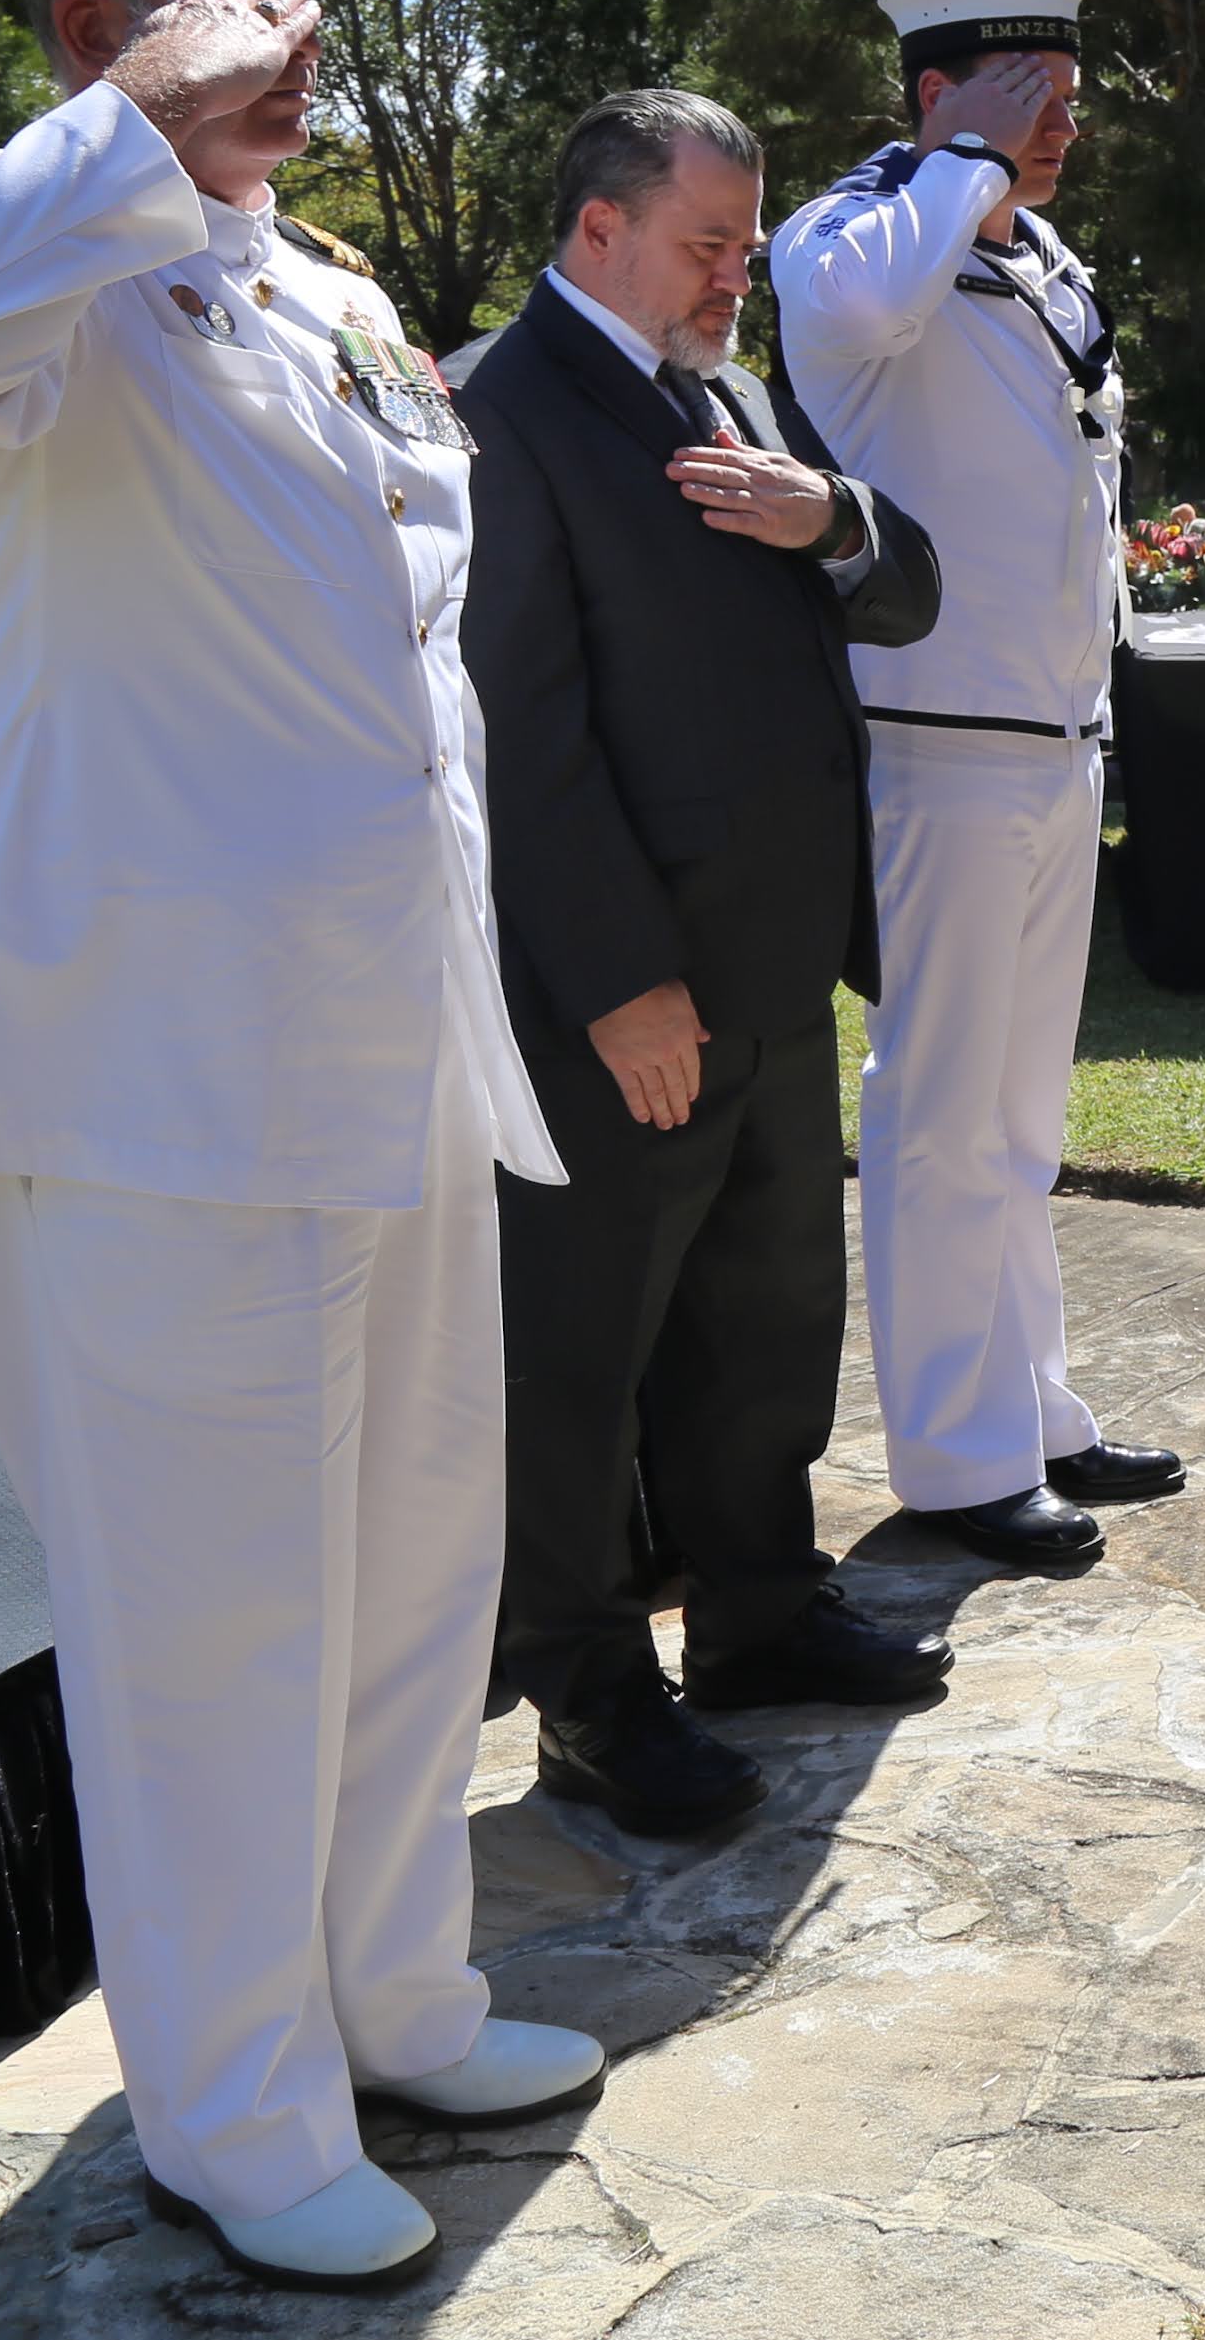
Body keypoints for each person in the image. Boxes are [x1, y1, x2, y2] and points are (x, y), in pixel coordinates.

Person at [0, 0, 600, 2296]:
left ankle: (390, 1991)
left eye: (298, 8)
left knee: (394, 1581)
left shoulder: (321, 298)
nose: (293, 52)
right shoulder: (21, 301)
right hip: (154, 1078)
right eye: (236, 12)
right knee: (208, 1624)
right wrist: (135, 127)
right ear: (90, 31)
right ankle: (229, 2110)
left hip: (385, 1037)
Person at [459, 90, 956, 1840]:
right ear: (599, 227)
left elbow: (904, 595)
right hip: (625, 1002)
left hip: (768, 965)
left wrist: (823, 514)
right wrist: (614, 981)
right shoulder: (500, 413)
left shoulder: (724, 396)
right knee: (581, 1358)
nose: (736, 276)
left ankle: (756, 1614)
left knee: (761, 1318)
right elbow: (520, 732)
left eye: (743, 245)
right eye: (708, 244)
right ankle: (590, 1697)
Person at [767, 0, 1185, 1573]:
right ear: (939, 96)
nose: (1060, 131)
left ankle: (1032, 1411)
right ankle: (952, 1458)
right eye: (1030, 99)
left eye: (1068, 104)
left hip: (1051, 736)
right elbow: (850, 320)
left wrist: (998, 182)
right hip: (932, 742)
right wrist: (967, 163)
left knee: (1020, 1112)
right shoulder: (862, 227)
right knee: (940, 1111)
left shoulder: (1031, 249)